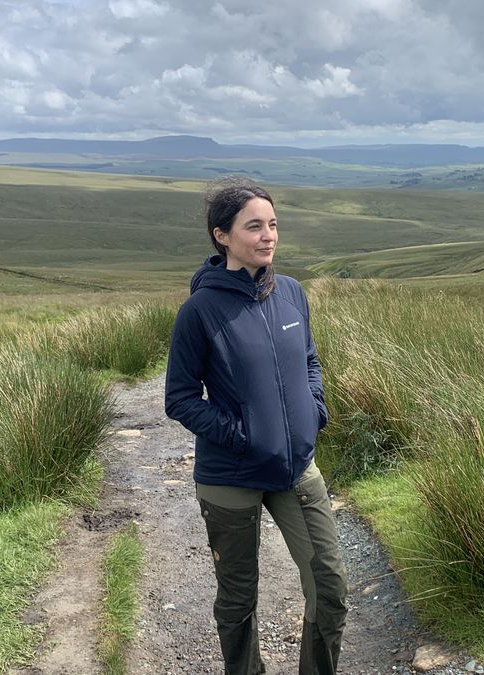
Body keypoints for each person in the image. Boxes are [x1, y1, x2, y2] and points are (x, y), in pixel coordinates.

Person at [164, 177, 348, 674]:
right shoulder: (200, 311)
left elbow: (309, 358)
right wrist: (239, 434)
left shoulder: (290, 292)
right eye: (254, 227)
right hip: (230, 478)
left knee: (329, 588)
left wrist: (314, 408)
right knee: (238, 598)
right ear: (222, 236)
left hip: (296, 469)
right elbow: (179, 399)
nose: (268, 236)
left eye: (272, 225)